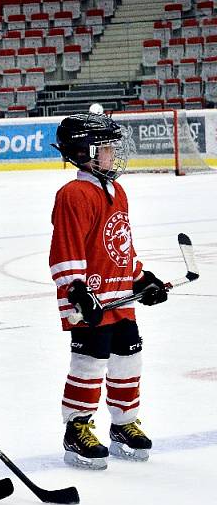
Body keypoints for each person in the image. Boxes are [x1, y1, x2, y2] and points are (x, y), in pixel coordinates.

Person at [50, 113, 167, 470]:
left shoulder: (118, 190)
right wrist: (77, 291)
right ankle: (77, 427)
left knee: (128, 355)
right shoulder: (73, 194)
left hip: (120, 298)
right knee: (90, 362)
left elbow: (120, 244)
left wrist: (141, 276)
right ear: (84, 151)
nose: (114, 154)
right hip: (91, 300)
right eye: (106, 148)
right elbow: (65, 249)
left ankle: (123, 423)